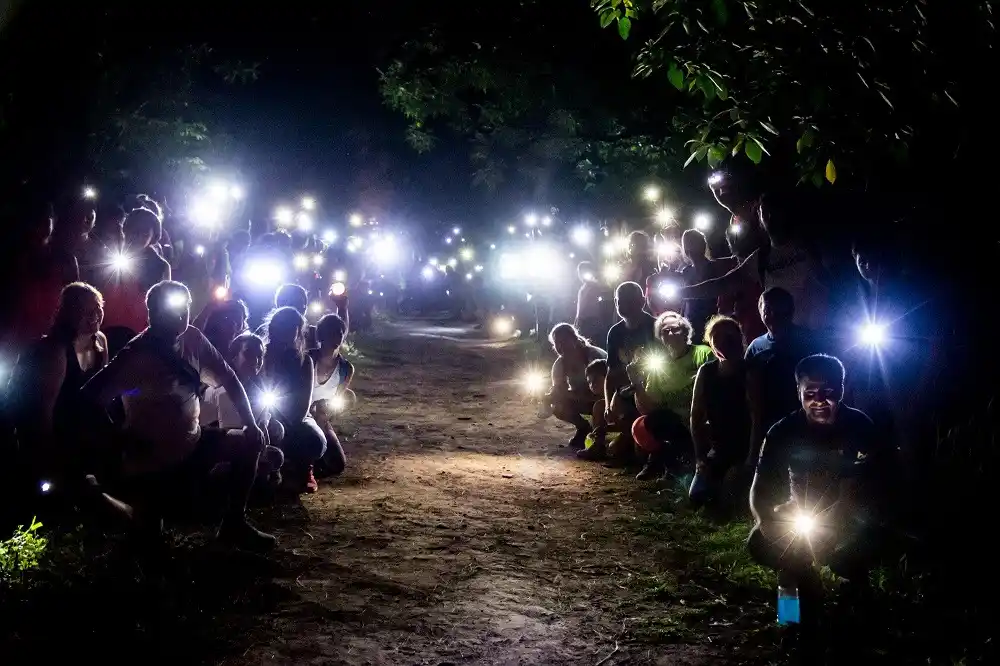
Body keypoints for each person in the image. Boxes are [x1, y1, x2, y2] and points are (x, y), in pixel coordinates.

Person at [81, 281, 274, 551]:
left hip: (194, 443)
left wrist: (251, 424)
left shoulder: (193, 338)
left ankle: (234, 523)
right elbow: (90, 399)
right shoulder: (135, 356)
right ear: (152, 314)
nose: (181, 315)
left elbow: (229, 377)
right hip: (153, 462)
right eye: (172, 309)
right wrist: (119, 439)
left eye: (184, 308)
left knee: (248, 442)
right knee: (149, 543)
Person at [747, 354, 884, 604]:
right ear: (798, 392)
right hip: (801, 513)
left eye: (828, 391)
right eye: (810, 392)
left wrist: (823, 536)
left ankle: (856, 592)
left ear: (842, 389)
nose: (819, 400)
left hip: (851, 517)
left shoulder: (859, 427)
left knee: (856, 547)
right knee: (774, 554)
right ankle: (790, 618)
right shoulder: (782, 431)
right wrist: (765, 520)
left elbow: (850, 498)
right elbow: (760, 487)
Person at [676, 189, 830, 332]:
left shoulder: (811, 246)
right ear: (760, 218)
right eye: (765, 212)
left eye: (775, 211)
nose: (770, 217)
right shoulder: (761, 258)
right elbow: (723, 284)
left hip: (822, 333)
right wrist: (682, 292)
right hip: (786, 340)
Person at [8, 283, 109, 486]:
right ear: (69, 313)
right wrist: (49, 460)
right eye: (85, 310)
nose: (95, 315)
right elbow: (42, 414)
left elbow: (100, 392)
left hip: (81, 433)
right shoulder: (55, 352)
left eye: (98, 307)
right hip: (55, 434)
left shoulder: (100, 342)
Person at [630, 312, 714, 480]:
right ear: (660, 338)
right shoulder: (659, 365)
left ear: (685, 332)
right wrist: (636, 382)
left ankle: (687, 465)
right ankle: (670, 462)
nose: (670, 333)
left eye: (675, 329)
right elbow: (649, 408)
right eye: (664, 331)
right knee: (642, 425)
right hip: (676, 424)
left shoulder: (702, 353)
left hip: (702, 417)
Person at [745, 288, 823, 465]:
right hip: (768, 421)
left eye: (779, 308)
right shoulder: (756, 347)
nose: (773, 314)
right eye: (768, 309)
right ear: (761, 312)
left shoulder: (809, 341)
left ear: (790, 310)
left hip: (806, 419)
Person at [583, 282, 656, 463]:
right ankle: (599, 445)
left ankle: (633, 442)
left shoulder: (654, 327)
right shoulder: (615, 332)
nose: (622, 305)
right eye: (619, 301)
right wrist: (608, 404)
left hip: (650, 390)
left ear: (641, 301)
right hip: (625, 392)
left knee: (626, 451)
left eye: (628, 300)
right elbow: (612, 373)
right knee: (600, 408)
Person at [263, 306, 326, 493]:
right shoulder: (261, 354)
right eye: (283, 326)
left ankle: (304, 468)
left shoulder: (304, 361)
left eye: (293, 327)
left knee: (315, 441)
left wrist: (291, 419)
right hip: (264, 414)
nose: (287, 331)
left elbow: (303, 405)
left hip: (295, 416)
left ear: (299, 331)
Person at [689, 315, 750, 506]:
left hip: (745, 447)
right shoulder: (707, 372)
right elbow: (696, 415)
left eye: (730, 337)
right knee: (697, 496)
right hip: (719, 448)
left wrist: (753, 457)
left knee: (729, 496)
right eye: (718, 337)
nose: (724, 343)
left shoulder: (749, 371)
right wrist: (700, 457)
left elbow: (758, 416)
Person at [546, 323, 608, 449]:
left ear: (575, 339)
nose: (561, 346)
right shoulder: (560, 364)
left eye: (564, 341)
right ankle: (583, 428)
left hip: (605, 398)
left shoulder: (593, 356)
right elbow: (558, 389)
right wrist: (547, 397)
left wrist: (570, 394)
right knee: (557, 405)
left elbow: (602, 388)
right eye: (557, 343)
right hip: (584, 398)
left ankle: (598, 440)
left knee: (598, 405)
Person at [310, 313, 352, 478]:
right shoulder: (307, 359)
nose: (338, 335)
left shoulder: (345, 369)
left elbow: (337, 399)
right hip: (300, 415)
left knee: (337, 465)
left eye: (340, 332)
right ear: (321, 335)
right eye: (332, 331)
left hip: (321, 417)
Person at [678, 229, 731, 341]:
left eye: (693, 242)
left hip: (711, 316)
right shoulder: (686, 271)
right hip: (691, 318)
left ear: (702, 244)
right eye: (687, 243)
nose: (690, 248)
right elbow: (684, 300)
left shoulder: (714, 267)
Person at [573, 261, 612, 346]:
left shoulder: (594, 285)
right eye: (579, 272)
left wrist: (579, 318)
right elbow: (581, 305)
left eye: (582, 271)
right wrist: (578, 318)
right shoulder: (584, 287)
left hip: (592, 320)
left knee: (591, 344)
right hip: (585, 321)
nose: (580, 274)